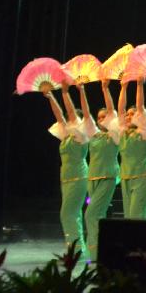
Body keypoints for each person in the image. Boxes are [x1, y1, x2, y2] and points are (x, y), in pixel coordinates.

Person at [45, 81, 94, 258]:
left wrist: (65, 92)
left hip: (79, 177)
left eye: (74, 120)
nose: (70, 121)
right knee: (73, 214)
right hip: (66, 178)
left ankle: (76, 249)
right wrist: (50, 96)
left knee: (67, 213)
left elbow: (71, 113)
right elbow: (60, 116)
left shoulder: (82, 136)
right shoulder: (66, 137)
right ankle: (76, 249)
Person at [86, 80, 120, 261]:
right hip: (92, 178)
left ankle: (95, 251)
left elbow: (112, 112)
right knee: (98, 216)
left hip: (108, 177)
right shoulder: (93, 134)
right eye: (99, 118)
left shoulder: (114, 135)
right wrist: (80, 89)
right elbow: (85, 114)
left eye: (104, 117)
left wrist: (105, 88)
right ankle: (101, 250)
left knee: (91, 214)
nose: (101, 120)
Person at [121, 78, 146, 219]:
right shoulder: (123, 132)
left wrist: (139, 84)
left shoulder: (144, 131)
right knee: (128, 217)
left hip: (142, 176)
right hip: (125, 177)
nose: (129, 116)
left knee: (137, 216)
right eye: (127, 114)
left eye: (132, 114)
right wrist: (123, 87)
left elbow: (140, 107)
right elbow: (120, 109)